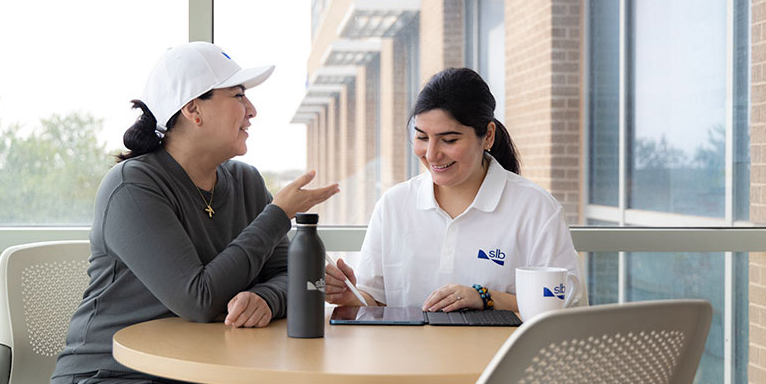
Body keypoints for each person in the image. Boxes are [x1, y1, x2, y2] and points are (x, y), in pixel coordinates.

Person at [52, 41, 339, 384]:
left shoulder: (246, 182)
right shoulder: (132, 186)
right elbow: (198, 299)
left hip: (204, 370)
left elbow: (289, 273)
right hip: (113, 373)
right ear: (193, 109)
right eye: (238, 96)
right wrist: (278, 214)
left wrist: (266, 297)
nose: (252, 110)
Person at [325, 67, 581, 313]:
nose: (431, 154)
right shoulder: (394, 204)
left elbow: (564, 304)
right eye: (422, 137)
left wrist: (485, 297)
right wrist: (351, 297)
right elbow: (375, 300)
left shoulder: (535, 208)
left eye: (449, 140)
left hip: (501, 346)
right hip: (408, 345)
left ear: (488, 136)